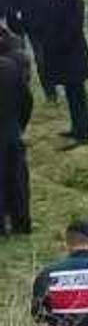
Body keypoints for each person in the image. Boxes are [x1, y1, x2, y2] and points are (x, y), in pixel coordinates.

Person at [40, 0, 88, 148]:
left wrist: (53, 48)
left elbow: (72, 31)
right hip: (65, 56)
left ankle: (84, 134)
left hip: (72, 57)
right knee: (72, 95)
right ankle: (77, 128)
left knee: (77, 95)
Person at [2, 0, 60, 103]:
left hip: (50, 17)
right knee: (24, 58)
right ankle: (28, 92)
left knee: (51, 55)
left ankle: (60, 90)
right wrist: (12, 11)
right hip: (21, 20)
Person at [0, 25, 32, 236]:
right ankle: (22, 223)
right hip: (10, 132)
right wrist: (18, 125)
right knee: (17, 179)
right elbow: (26, 101)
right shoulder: (10, 67)